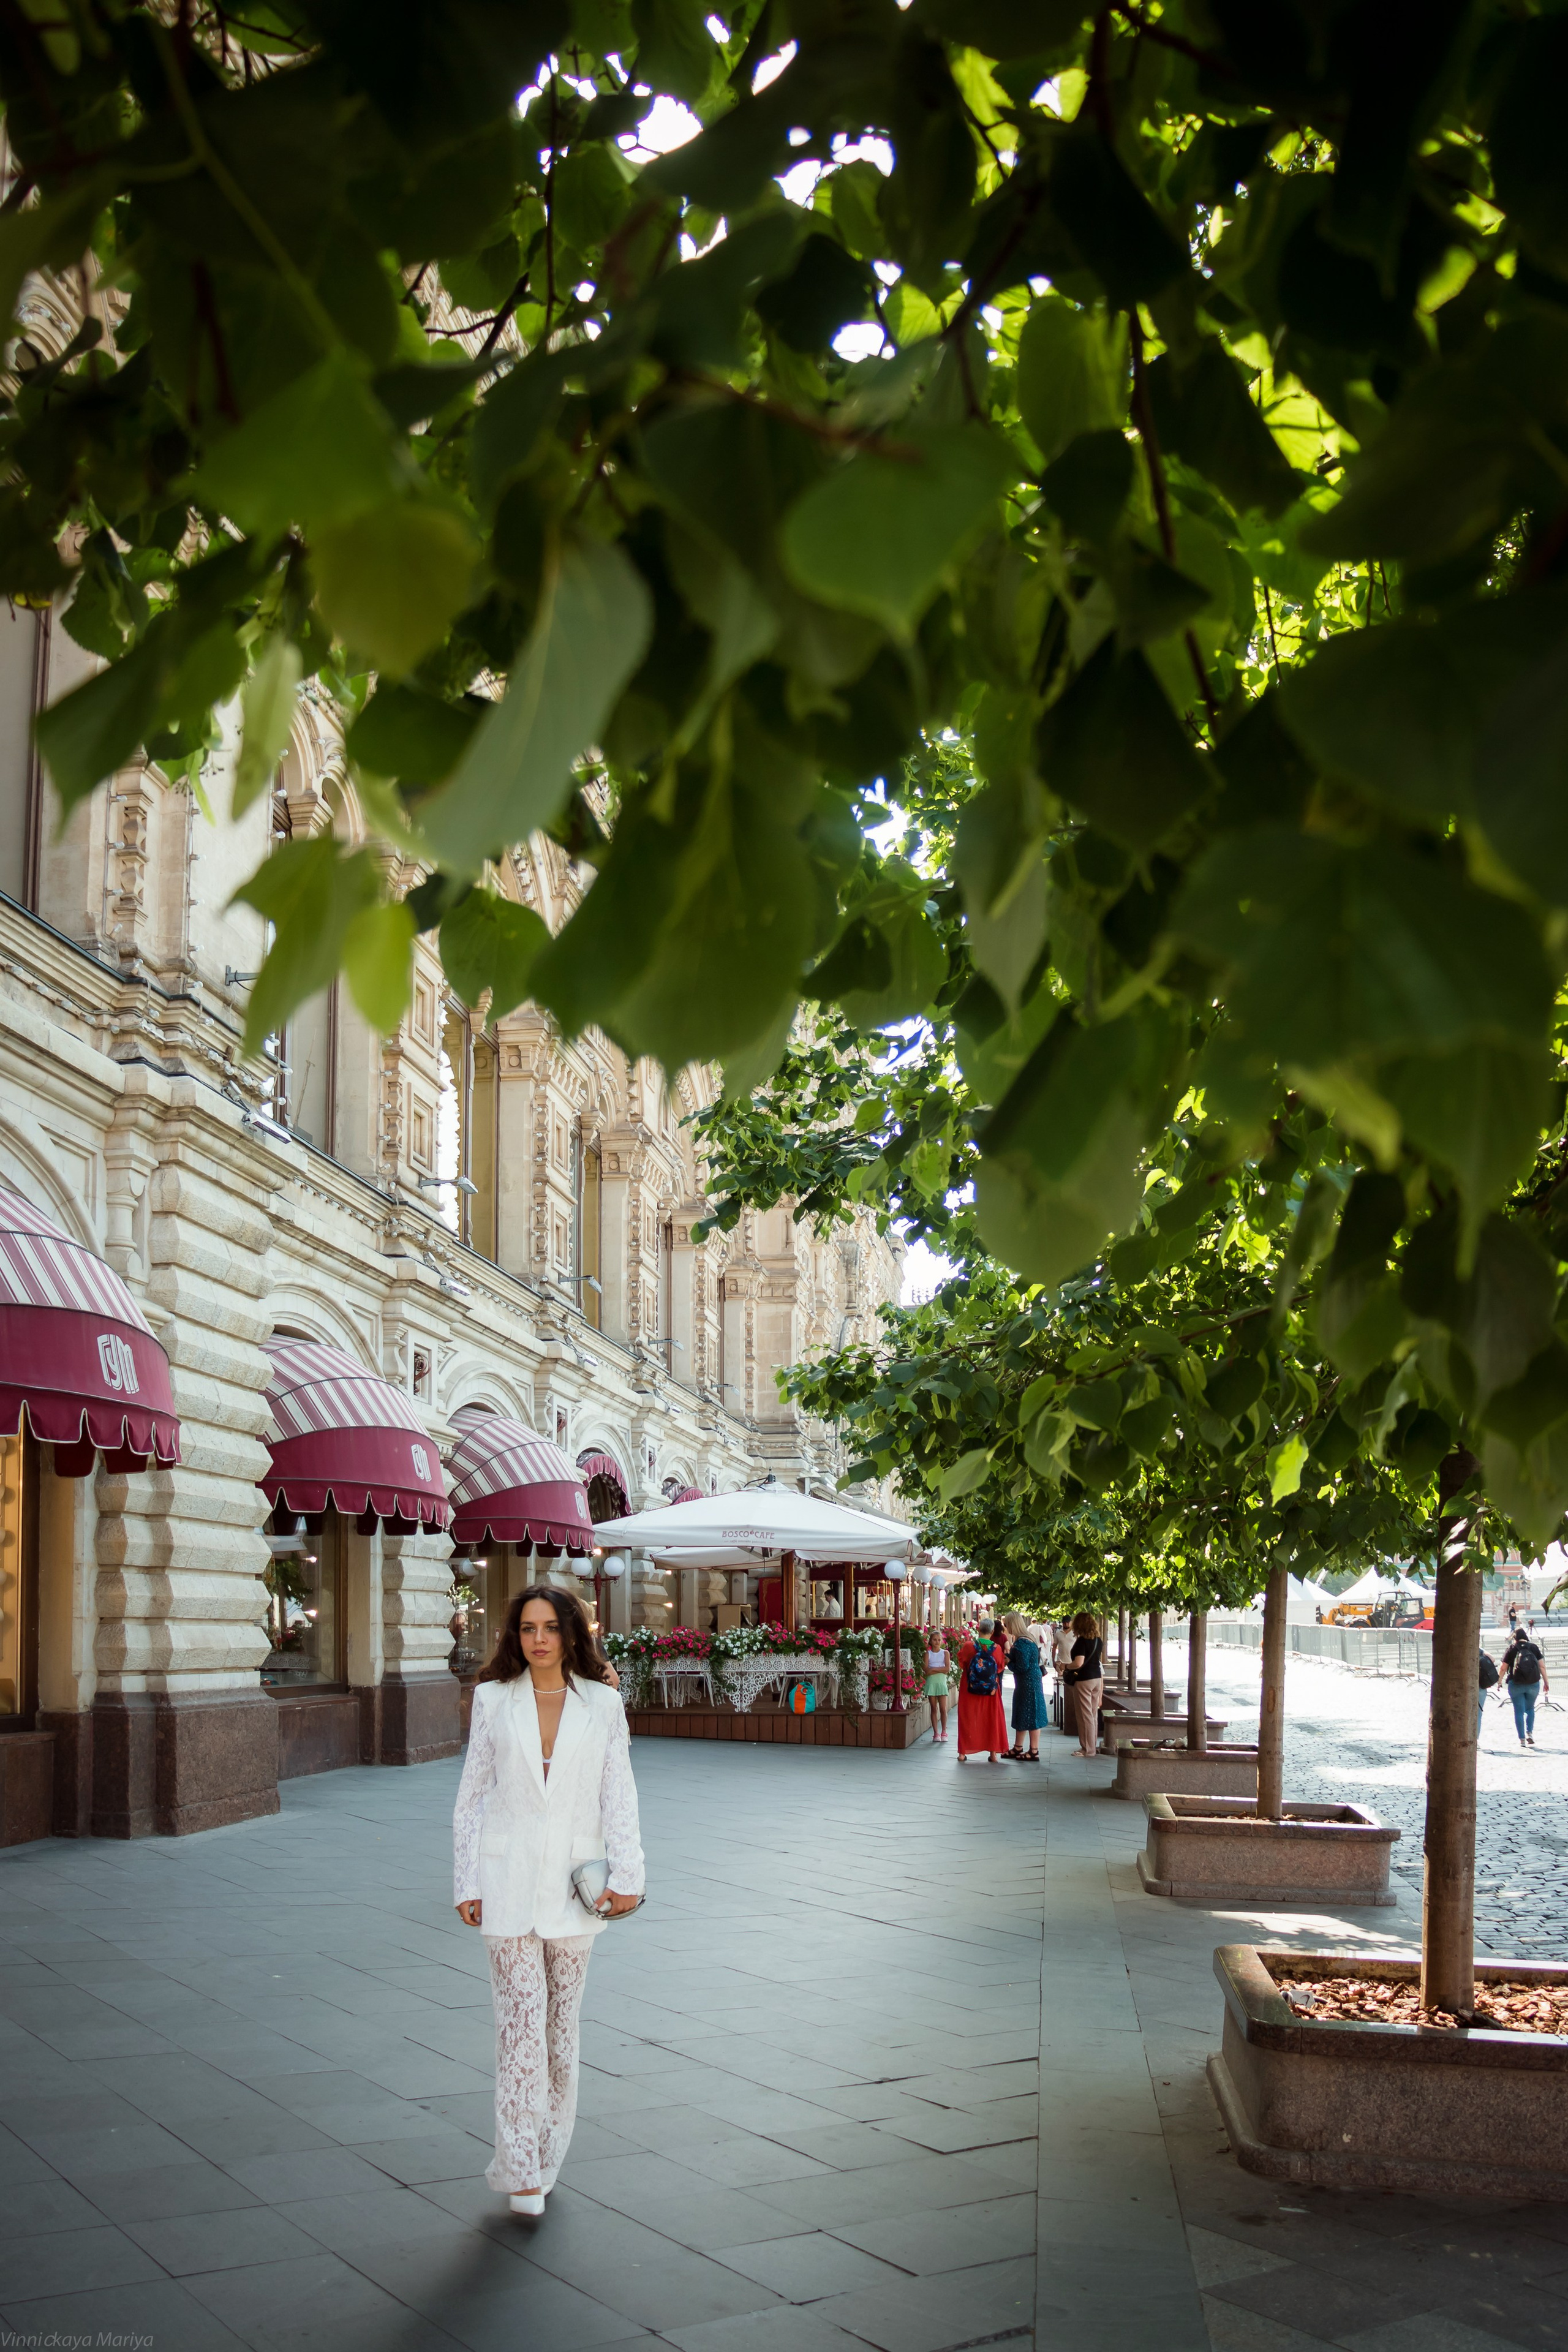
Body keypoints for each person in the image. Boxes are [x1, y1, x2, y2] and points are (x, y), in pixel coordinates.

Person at [453, 1586, 645, 2218]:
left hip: (574, 1887)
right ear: (515, 1636)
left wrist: (629, 1875)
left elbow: (619, 1794)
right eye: (528, 1628)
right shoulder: (491, 1699)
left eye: (551, 1628)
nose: (539, 1639)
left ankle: (547, 2153)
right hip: (505, 1882)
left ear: (571, 1635)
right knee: (519, 2028)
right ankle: (520, 2171)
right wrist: (466, 1881)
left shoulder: (604, 1703)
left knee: (560, 2031)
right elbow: (472, 1797)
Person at [956, 1618, 1009, 1763]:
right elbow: (1000, 1667)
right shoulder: (997, 1649)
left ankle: (962, 1753)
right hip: (991, 1691)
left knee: (967, 1718)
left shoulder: (969, 1646)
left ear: (978, 1630)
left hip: (969, 1689)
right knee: (992, 1719)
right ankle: (993, 1753)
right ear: (992, 1632)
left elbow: (962, 1663)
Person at [1002, 1611, 1046, 1762]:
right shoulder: (1028, 1639)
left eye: (1007, 1624)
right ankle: (1018, 1747)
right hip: (1030, 1682)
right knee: (1024, 1713)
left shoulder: (1022, 1643)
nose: (1006, 1627)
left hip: (1027, 1683)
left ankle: (1033, 1751)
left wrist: (1009, 1662)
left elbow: (1022, 1666)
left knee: (1031, 1715)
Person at [1063, 1611, 1105, 1758]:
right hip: (1097, 1679)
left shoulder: (1082, 1641)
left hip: (1084, 1680)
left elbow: (1078, 1663)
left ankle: (1087, 1750)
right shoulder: (1098, 1641)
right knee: (1092, 1715)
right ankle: (1091, 1747)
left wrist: (1066, 1666)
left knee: (1085, 1716)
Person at [1503, 1624, 1548, 1749]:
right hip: (1533, 1683)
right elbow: (1542, 1666)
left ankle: (1522, 1740)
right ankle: (1530, 1733)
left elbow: (1503, 1668)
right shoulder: (1533, 1647)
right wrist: (1546, 1682)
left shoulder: (1512, 1649)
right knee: (1530, 1709)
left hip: (1516, 1683)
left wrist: (1499, 1681)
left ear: (1515, 1638)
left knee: (1518, 1711)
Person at [923, 1631, 952, 1743]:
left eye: (939, 1640)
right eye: (935, 1640)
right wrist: (940, 1669)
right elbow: (926, 1671)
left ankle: (944, 1731)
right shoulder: (928, 1654)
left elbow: (947, 1669)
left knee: (943, 1708)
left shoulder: (945, 1653)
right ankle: (936, 1733)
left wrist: (933, 1669)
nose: (937, 1642)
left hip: (941, 1682)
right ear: (931, 1641)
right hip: (931, 1682)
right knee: (933, 1708)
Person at [1479, 1642, 1499, 1738]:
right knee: (1478, 1713)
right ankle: (1476, 1738)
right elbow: (1493, 1659)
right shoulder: (1479, 1651)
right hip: (1481, 1685)